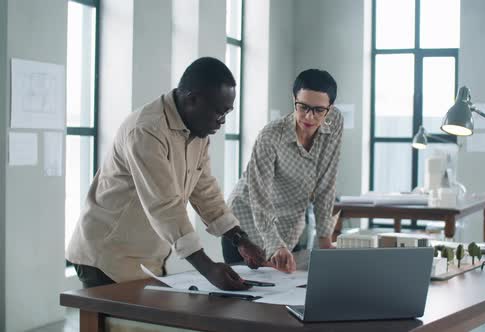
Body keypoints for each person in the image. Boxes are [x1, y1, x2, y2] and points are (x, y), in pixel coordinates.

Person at [66, 57, 266, 290]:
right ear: (192, 100)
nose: (222, 121)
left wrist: (240, 239)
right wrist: (208, 268)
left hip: (147, 259)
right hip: (106, 259)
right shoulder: (146, 131)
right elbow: (164, 206)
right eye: (218, 113)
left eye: (227, 113)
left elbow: (206, 192)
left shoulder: (198, 133)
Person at [223, 69, 343, 273]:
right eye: (303, 106)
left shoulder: (334, 123)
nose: (309, 116)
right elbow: (259, 197)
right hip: (247, 220)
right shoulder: (271, 135)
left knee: (285, 291)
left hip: (288, 225)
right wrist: (274, 245)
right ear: (293, 99)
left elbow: (326, 183)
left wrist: (325, 240)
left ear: (329, 109)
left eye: (318, 110)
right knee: (247, 298)